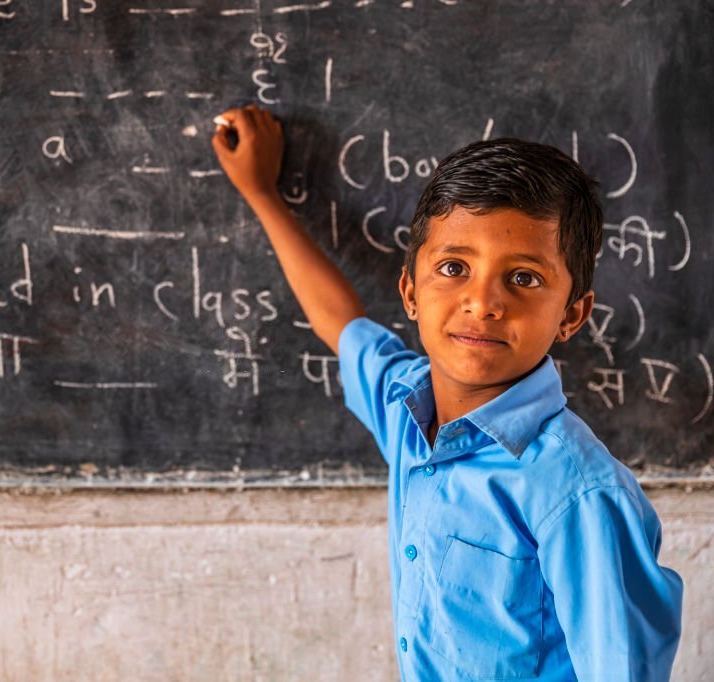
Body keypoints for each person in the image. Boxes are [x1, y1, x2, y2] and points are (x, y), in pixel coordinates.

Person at [211, 105, 683, 680]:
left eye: (524, 278)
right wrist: (261, 192)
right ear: (411, 291)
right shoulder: (406, 408)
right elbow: (341, 323)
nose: (482, 302)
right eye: (454, 267)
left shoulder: (576, 492)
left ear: (572, 314)